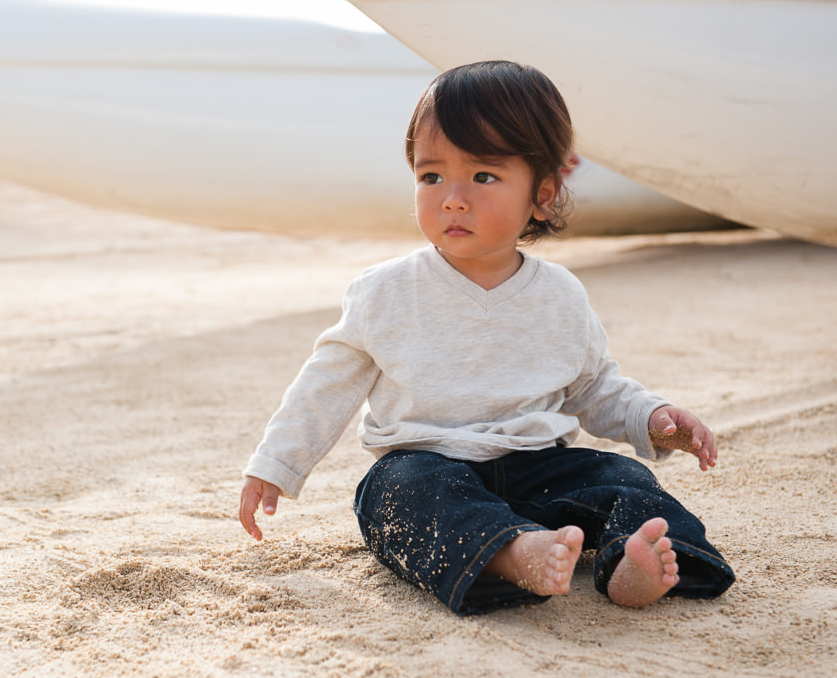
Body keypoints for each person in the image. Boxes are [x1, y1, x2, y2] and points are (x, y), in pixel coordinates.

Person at [238, 60, 735, 615]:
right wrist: (277, 466)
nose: (452, 197)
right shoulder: (384, 292)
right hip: (428, 464)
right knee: (394, 494)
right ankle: (513, 555)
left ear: (542, 194)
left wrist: (654, 418)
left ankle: (630, 565)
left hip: (539, 469)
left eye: (483, 176)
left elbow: (595, 387)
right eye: (431, 177)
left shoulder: (560, 295)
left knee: (624, 478)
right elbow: (325, 386)